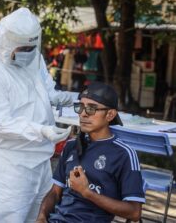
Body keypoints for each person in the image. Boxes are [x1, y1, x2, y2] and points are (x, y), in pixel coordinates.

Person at [0, 7, 73, 223]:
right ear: (5, 42)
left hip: (40, 158)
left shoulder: (33, 57)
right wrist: (42, 130)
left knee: (41, 217)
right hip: (7, 163)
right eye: (23, 47)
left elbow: (42, 85)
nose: (28, 52)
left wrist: (54, 97)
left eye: (31, 46)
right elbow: (0, 123)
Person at [36, 82, 145, 223]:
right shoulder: (72, 146)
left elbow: (134, 213)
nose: (83, 114)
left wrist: (87, 193)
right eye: (80, 107)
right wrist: (42, 216)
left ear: (110, 115)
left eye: (91, 109)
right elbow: (55, 192)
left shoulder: (123, 154)